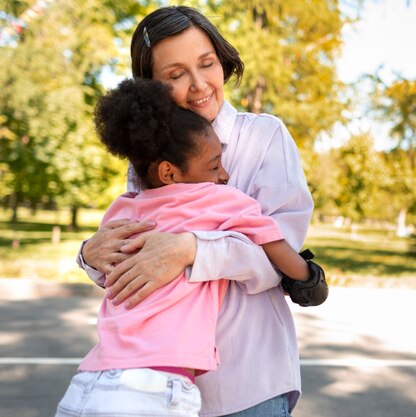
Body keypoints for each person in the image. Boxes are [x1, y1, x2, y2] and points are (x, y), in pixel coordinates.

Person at [76, 5, 323, 417]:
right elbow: (138, 260)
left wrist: (191, 249)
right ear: (151, 87)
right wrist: (90, 255)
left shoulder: (264, 137)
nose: (198, 85)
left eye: (206, 64)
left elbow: (277, 261)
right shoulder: (152, 159)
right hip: (152, 384)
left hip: (247, 383)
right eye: (175, 75)